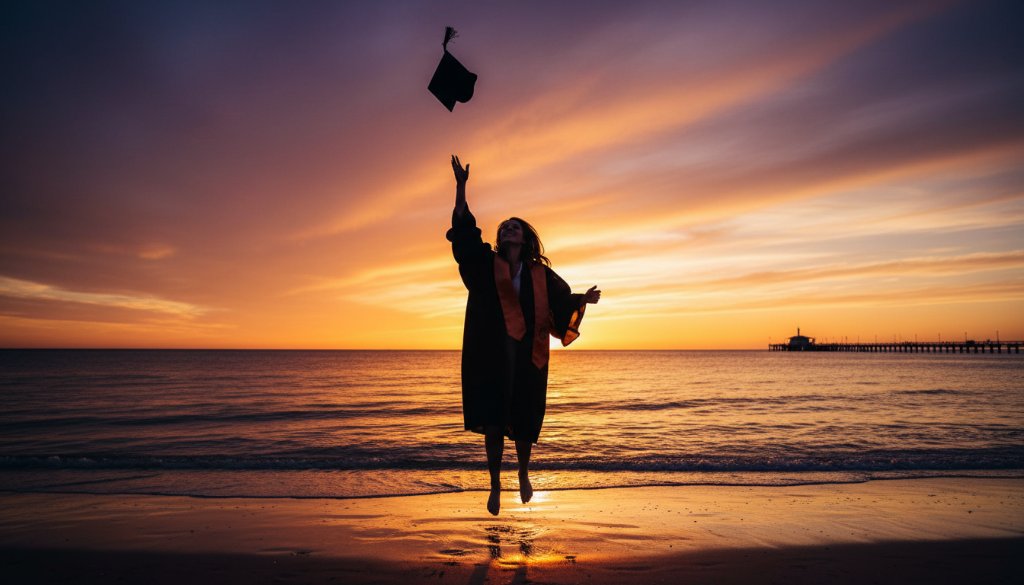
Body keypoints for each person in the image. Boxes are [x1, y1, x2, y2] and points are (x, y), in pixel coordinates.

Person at [446, 155, 601, 515]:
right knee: (495, 419)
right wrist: (461, 187)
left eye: (514, 226)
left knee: (525, 416)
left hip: (529, 356)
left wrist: (583, 300)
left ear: (525, 236)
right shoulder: (488, 265)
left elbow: (563, 302)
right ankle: (495, 485)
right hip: (492, 354)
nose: (507, 229)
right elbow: (466, 237)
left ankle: (525, 473)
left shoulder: (540, 274)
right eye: (504, 227)